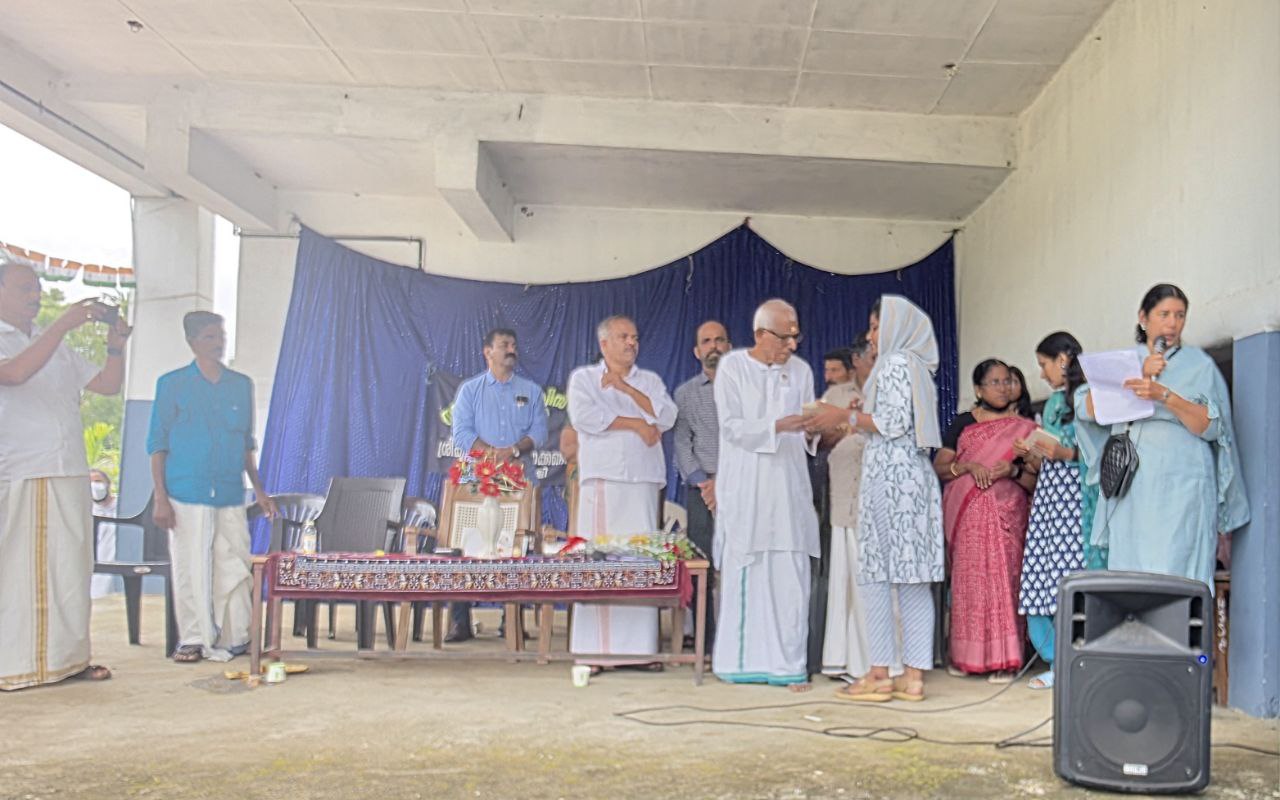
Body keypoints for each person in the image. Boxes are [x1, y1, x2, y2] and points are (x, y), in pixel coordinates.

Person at [0, 256, 129, 689]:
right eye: (24, 289)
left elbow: (107, 385)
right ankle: (18, 665)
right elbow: (15, 374)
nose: (35, 296)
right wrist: (63, 325)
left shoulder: (47, 341)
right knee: (24, 573)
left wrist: (116, 344)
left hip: (68, 468)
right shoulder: (15, 340)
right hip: (25, 470)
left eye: (36, 288)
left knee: (70, 570)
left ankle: (67, 660)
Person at [1078, 284, 1249, 589]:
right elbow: (1085, 408)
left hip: (1184, 481)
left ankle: (1182, 632)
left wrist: (1165, 395)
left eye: (1180, 315)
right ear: (1144, 317)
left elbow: (1211, 427)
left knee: (1178, 564)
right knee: (1133, 567)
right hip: (1133, 481)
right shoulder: (1123, 361)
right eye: (1164, 314)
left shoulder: (1199, 365)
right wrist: (1134, 374)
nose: (1172, 323)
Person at [826, 295, 944, 702]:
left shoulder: (894, 363)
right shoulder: (914, 365)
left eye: (876, 327)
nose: (871, 336)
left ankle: (879, 673)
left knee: (876, 576)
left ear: (894, 328)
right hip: (910, 479)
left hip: (892, 481)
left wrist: (845, 417)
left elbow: (890, 425)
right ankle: (912, 679)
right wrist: (862, 413)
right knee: (912, 581)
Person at [148, 311, 277, 663]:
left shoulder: (240, 384)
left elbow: (246, 445)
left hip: (230, 490)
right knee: (191, 564)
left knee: (233, 562)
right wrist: (160, 497)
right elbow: (157, 443)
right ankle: (192, 639)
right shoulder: (172, 384)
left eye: (220, 335)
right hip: (185, 490)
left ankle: (236, 636)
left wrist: (260, 491)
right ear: (191, 341)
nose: (218, 342)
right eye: (209, 337)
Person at [712, 299, 826, 690]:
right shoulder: (732, 367)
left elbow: (809, 429)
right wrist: (777, 426)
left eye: (796, 336)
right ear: (761, 335)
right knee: (749, 570)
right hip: (748, 487)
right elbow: (732, 427)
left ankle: (789, 666)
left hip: (789, 488)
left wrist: (812, 429)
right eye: (784, 337)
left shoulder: (802, 371)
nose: (792, 345)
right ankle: (740, 663)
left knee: (790, 577)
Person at [567, 315, 677, 670]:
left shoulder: (650, 381)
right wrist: (636, 424)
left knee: (639, 560)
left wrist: (627, 390)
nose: (632, 342)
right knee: (602, 560)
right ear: (604, 344)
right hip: (604, 481)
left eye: (635, 336)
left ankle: (639, 652)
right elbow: (587, 418)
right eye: (623, 336)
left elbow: (668, 416)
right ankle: (595, 653)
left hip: (642, 481)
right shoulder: (584, 378)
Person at [934, 360, 1037, 681]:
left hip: (1008, 514)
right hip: (968, 518)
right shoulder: (963, 423)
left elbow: (1036, 482)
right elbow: (939, 467)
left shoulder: (1026, 427)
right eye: (995, 382)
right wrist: (968, 467)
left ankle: (1007, 659)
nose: (1003, 387)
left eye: (1007, 381)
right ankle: (966, 657)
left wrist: (1013, 470)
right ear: (978, 389)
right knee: (970, 582)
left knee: (1007, 581)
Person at [447, 327, 549, 641]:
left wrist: (514, 451)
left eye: (514, 344)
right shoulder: (470, 390)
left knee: (517, 545)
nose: (511, 349)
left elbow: (541, 433)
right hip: (478, 479)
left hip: (518, 480)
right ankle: (460, 621)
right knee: (465, 545)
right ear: (487, 352)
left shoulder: (531, 390)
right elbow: (461, 433)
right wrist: (490, 454)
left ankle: (512, 621)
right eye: (504, 344)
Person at [1012, 332, 1099, 690]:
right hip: (1050, 499)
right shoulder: (1051, 405)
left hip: (1079, 500)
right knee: (1042, 574)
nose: (1044, 374)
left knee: (1071, 575)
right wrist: (1032, 449)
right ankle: (1053, 658)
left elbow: (1101, 452)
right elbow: (1051, 450)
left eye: (1045, 365)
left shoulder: (1091, 397)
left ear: (1063, 358)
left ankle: (1077, 660)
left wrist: (1066, 454)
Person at [821, 333, 901, 680]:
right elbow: (818, 441)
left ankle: (881, 663)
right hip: (846, 500)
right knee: (849, 582)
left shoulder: (895, 391)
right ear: (857, 360)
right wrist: (845, 422)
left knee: (881, 586)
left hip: (884, 501)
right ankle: (846, 661)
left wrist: (862, 422)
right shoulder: (836, 395)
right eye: (872, 356)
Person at [672, 320, 732, 644]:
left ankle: (738, 640)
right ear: (697, 352)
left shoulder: (744, 387)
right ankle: (706, 643)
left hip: (739, 487)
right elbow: (682, 443)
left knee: (740, 564)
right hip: (701, 491)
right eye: (707, 341)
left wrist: (726, 483)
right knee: (702, 566)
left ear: (730, 347)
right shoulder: (685, 393)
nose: (714, 347)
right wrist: (706, 484)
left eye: (720, 340)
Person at [90, 468, 119, 599]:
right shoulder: (87, 511)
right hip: (97, 569)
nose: (94, 486)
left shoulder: (122, 507)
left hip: (118, 562)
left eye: (98, 481)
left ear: (108, 484)